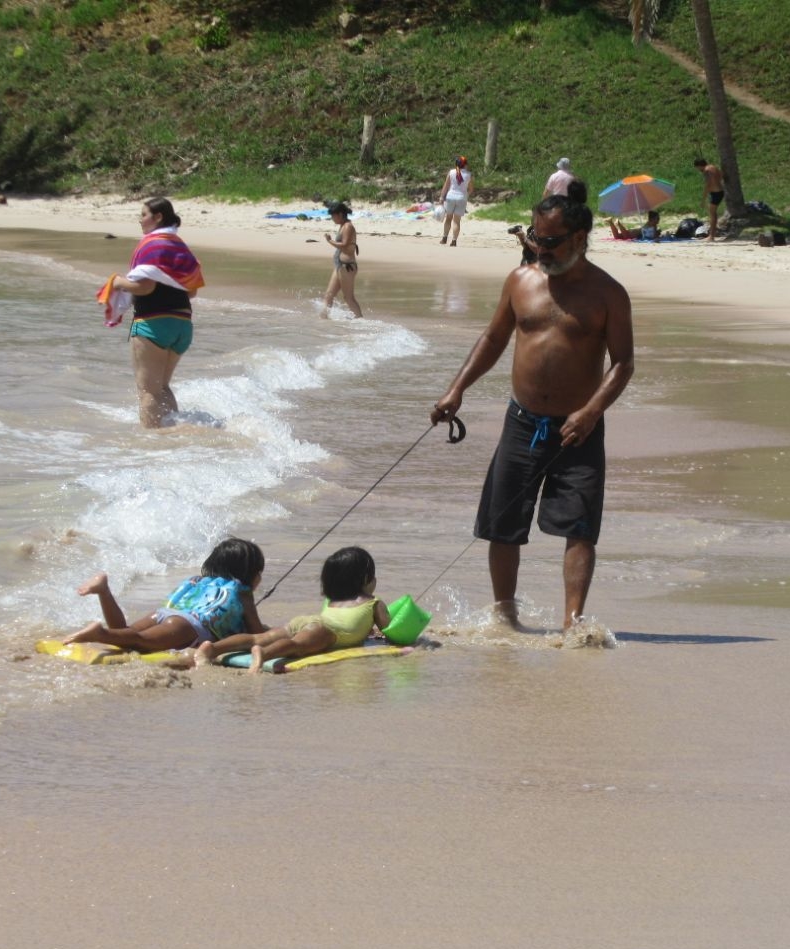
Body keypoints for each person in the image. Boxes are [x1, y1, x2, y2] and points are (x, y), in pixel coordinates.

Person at [430, 179, 635, 631]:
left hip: (577, 430)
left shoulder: (608, 294)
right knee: (502, 525)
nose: (541, 249)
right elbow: (493, 338)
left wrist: (590, 413)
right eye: (537, 238)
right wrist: (456, 388)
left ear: (580, 239)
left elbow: (623, 365)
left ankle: (573, 623)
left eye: (552, 242)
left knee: (580, 528)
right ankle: (506, 617)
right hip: (522, 423)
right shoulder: (520, 281)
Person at [193, 546, 391, 672]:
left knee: (258, 636)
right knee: (296, 645)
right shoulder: (373, 603)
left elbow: (349, 621)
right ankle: (263, 654)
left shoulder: (333, 601)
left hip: (307, 621)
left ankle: (212, 648)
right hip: (326, 632)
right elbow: (392, 632)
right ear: (366, 579)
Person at [63, 537, 267, 654]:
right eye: (259, 573)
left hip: (165, 614)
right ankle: (100, 633)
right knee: (143, 642)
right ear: (251, 574)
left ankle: (104, 592)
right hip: (189, 625)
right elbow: (257, 634)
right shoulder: (242, 592)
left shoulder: (199, 582)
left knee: (126, 635)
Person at [107, 197, 205, 428]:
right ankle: (172, 433)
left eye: (143, 215)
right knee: (162, 387)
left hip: (153, 323)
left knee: (148, 391)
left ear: (158, 217)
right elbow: (191, 293)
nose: (139, 220)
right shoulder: (180, 247)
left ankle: (153, 446)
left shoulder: (152, 245)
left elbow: (146, 287)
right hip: (183, 324)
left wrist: (118, 283)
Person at [321, 202, 363, 318]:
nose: (332, 219)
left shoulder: (348, 226)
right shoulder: (342, 225)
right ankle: (322, 320)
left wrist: (329, 241)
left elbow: (344, 245)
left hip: (347, 266)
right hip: (340, 265)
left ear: (340, 214)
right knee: (328, 295)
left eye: (333, 216)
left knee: (348, 298)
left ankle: (360, 321)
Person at [439, 155, 473, 247]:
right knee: (456, 221)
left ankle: (444, 238)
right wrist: (466, 195)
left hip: (450, 197)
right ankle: (454, 241)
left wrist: (442, 197)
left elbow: (446, 186)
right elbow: (470, 189)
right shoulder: (468, 175)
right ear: (465, 165)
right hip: (462, 198)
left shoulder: (451, 172)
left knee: (448, 219)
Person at [694, 158, 724, 241]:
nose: (698, 170)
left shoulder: (706, 171)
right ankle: (712, 235)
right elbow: (722, 175)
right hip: (720, 191)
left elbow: (708, 184)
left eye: (697, 168)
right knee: (713, 214)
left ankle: (711, 236)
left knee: (712, 214)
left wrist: (703, 199)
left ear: (699, 166)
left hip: (716, 193)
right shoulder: (713, 167)